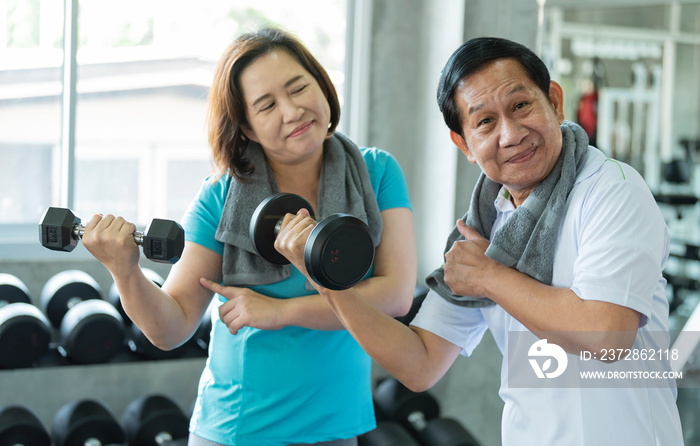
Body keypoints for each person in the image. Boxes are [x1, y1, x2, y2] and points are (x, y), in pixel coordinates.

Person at [305, 37, 685, 445]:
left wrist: (491, 278)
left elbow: (607, 335)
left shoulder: (612, 189)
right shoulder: (490, 219)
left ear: (555, 102)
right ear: (463, 144)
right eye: (485, 121)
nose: (511, 134)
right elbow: (420, 364)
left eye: (521, 106)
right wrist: (330, 286)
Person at [81, 28, 416, 446]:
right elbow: (171, 328)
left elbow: (396, 296)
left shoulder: (376, 173)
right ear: (249, 128)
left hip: (335, 425)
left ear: (323, 86)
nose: (292, 111)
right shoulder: (221, 195)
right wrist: (125, 271)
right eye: (267, 105)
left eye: (298, 88)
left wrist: (283, 311)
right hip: (237, 429)